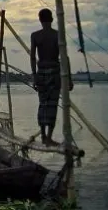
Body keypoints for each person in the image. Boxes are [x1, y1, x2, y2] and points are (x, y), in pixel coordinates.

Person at [30, 8, 73, 146]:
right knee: (51, 105)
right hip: (53, 72)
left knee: (43, 104)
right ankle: (47, 137)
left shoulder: (36, 35)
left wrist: (34, 75)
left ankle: (44, 136)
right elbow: (65, 57)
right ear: (52, 19)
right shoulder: (57, 35)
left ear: (40, 20)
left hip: (42, 72)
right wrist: (69, 78)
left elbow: (32, 57)